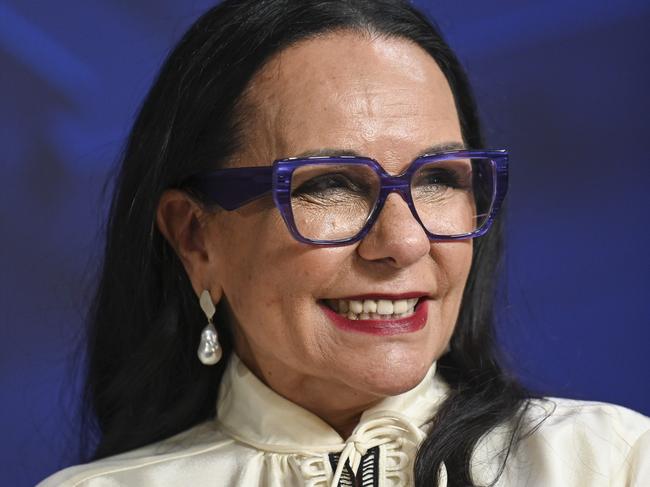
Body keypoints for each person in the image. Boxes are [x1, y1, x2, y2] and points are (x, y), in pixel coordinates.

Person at [38, 0, 649, 486]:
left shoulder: (614, 464)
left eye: (438, 178)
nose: (404, 242)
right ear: (196, 237)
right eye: (330, 186)